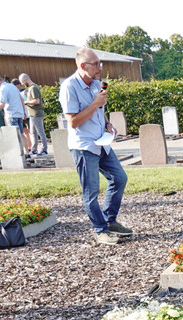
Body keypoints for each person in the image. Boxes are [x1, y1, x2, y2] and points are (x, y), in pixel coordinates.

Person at [60, 48, 133, 244]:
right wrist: (94, 104)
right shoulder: (69, 87)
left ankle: (110, 221)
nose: (100, 68)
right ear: (83, 66)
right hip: (84, 146)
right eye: (96, 64)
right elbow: (73, 122)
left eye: (100, 64)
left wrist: (107, 124)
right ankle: (100, 230)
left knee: (119, 178)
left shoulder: (94, 84)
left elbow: (99, 111)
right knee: (91, 192)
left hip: (102, 143)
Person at [0, 75, 26, 149]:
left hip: (11, 114)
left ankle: (18, 153)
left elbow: (2, 104)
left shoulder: (3, 89)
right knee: (21, 134)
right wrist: (23, 111)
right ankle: (27, 151)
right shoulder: (13, 86)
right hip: (18, 113)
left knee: (14, 136)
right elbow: (21, 99)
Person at [20, 73, 48, 156]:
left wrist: (26, 102)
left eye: (22, 82)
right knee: (32, 132)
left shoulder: (33, 88)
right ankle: (34, 149)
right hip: (31, 114)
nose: (22, 84)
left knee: (40, 131)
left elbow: (37, 101)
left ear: (25, 80)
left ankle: (44, 149)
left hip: (36, 113)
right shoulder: (30, 89)